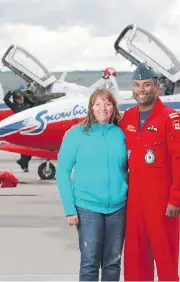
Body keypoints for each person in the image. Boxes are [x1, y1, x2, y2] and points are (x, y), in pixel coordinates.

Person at [118, 62, 180, 281]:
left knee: (165, 259)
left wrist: (176, 198)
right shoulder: (127, 119)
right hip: (133, 202)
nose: (141, 90)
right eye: (137, 85)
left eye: (147, 84)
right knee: (134, 259)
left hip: (162, 202)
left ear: (157, 87)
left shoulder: (172, 119)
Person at [55, 88, 128, 281]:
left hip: (118, 208)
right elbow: (62, 172)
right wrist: (70, 209)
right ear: (91, 108)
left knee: (113, 263)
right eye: (98, 104)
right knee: (90, 262)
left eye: (108, 103)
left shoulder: (121, 135)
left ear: (114, 108)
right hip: (87, 207)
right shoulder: (76, 134)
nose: (103, 108)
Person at [3, 88, 35, 172]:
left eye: (21, 97)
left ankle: (22, 162)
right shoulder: (14, 106)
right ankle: (25, 166)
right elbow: (5, 99)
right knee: (24, 149)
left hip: (31, 128)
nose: (21, 99)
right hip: (22, 129)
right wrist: (10, 92)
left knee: (31, 150)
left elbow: (32, 99)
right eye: (18, 98)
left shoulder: (28, 104)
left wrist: (26, 92)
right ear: (15, 100)